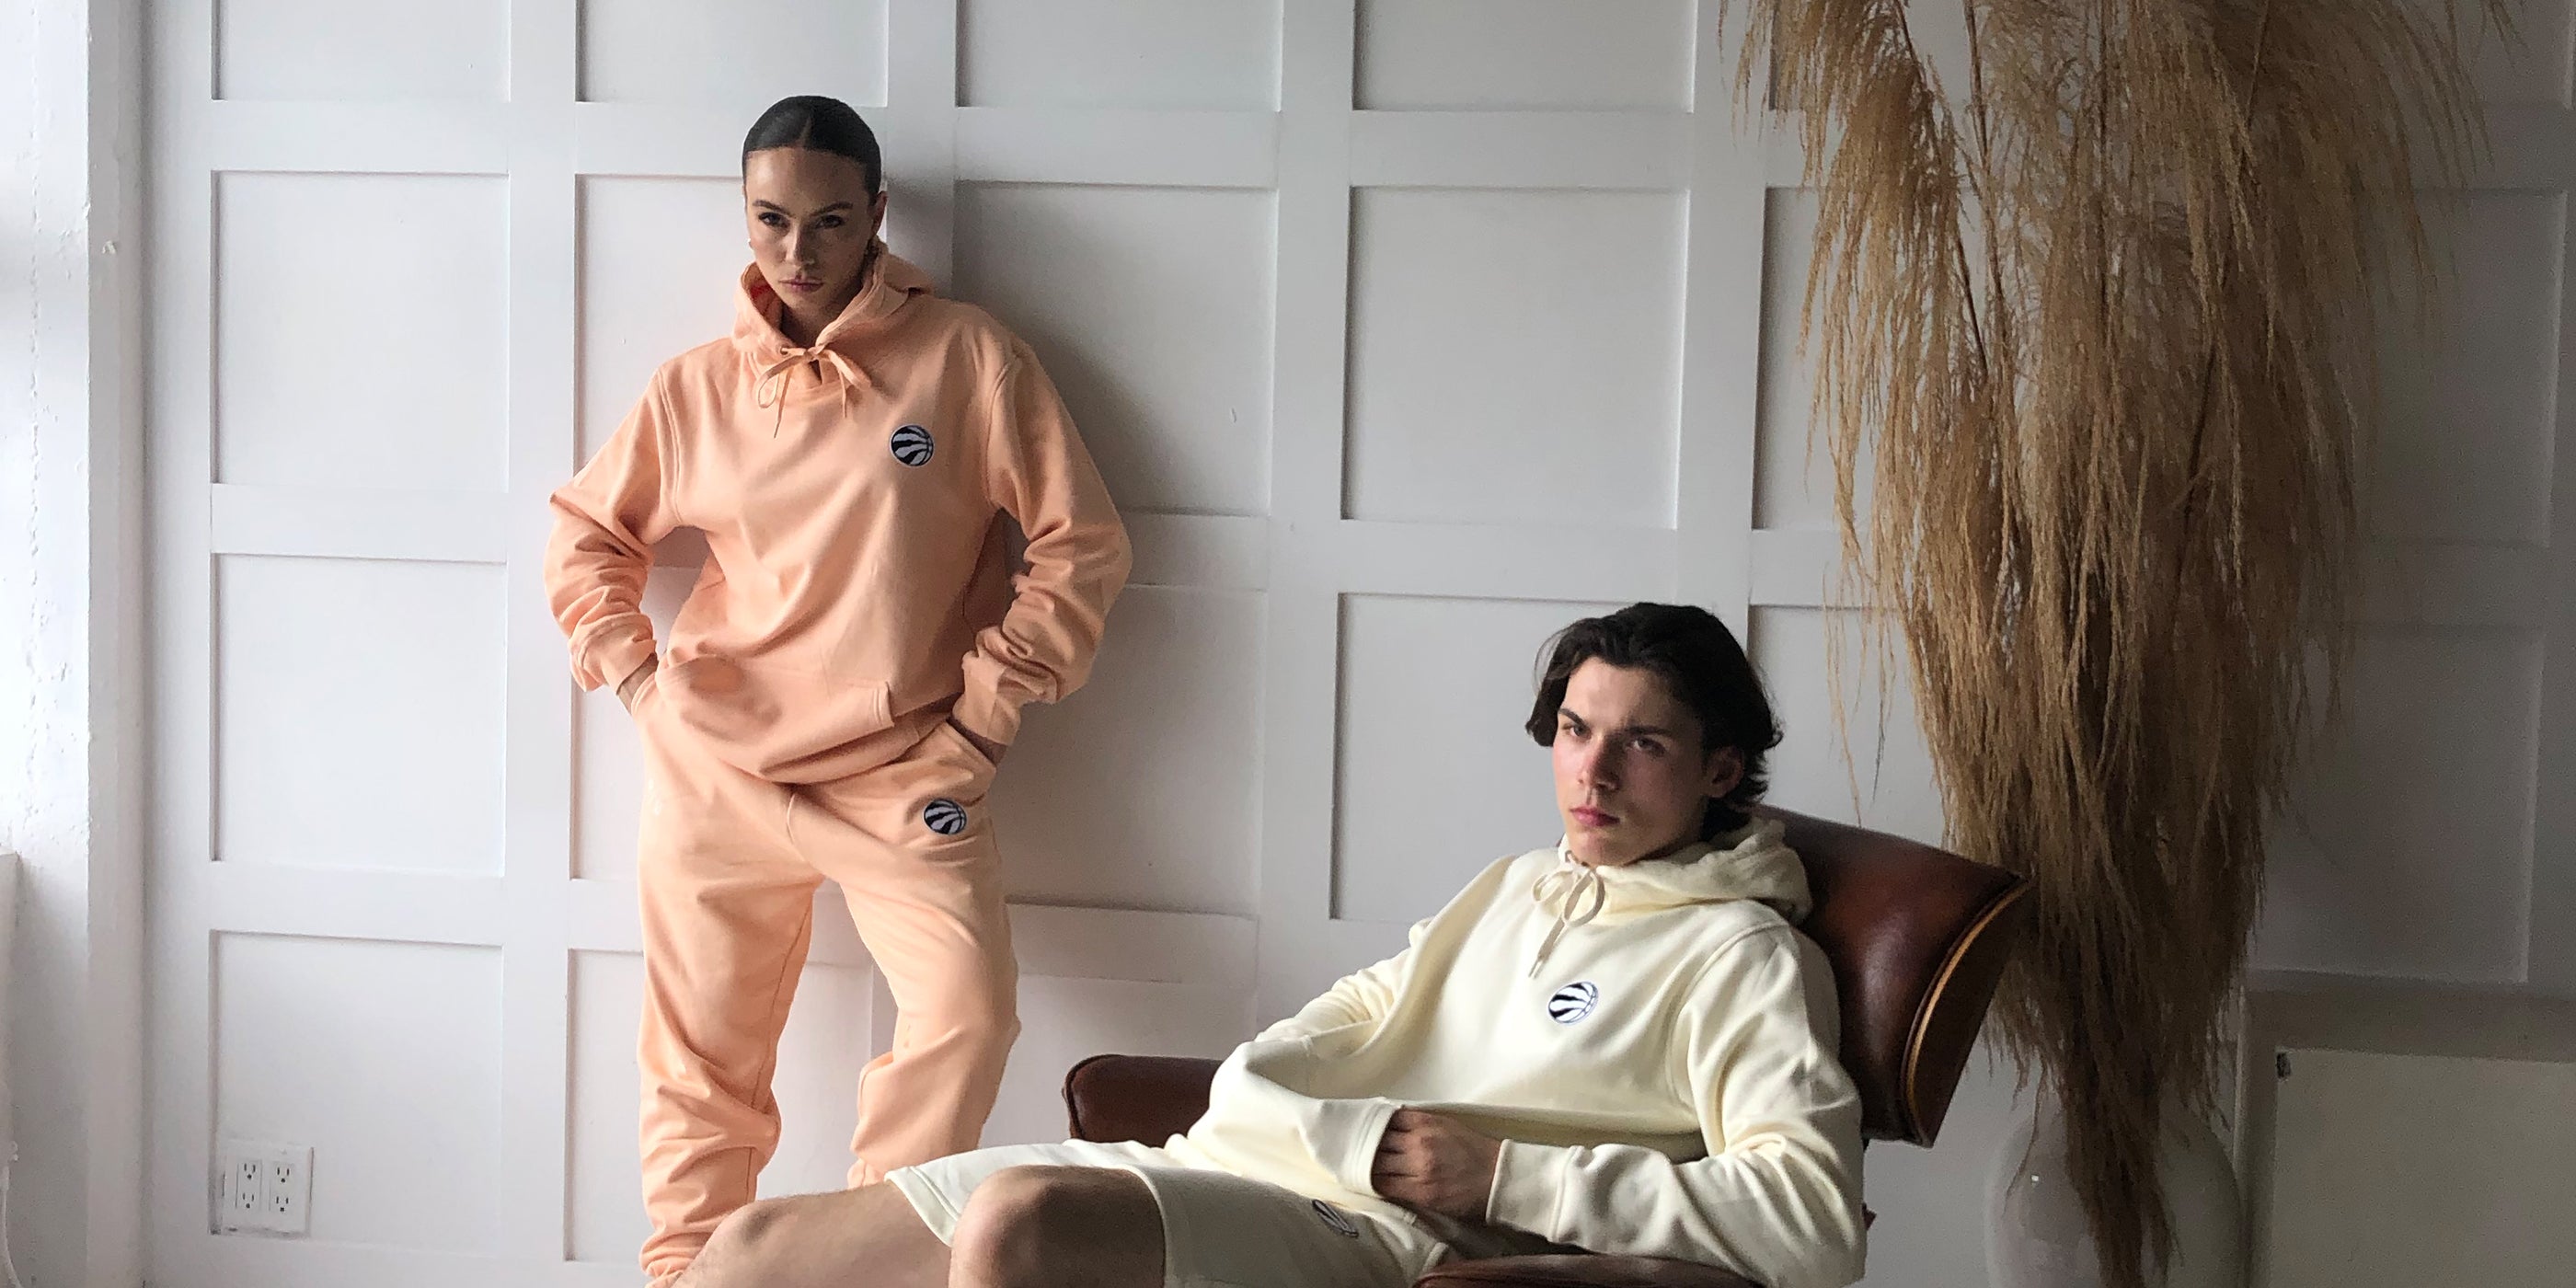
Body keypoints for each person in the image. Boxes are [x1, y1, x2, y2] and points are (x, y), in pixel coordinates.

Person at [670, 604, 1868, 1288]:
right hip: (1256, 1161)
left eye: (1642, 744)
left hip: (1393, 1237)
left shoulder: (1744, 959)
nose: (1591, 772)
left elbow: (1811, 1220)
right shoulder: (1523, 886)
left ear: (1722, 768)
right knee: (747, 1252)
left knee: (1017, 1227)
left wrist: (1505, 1177)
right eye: (1573, 729)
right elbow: (1354, 1014)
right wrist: (1277, 1091)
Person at [543, 94, 1131, 1286]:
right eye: (770, 220)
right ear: (744, 214)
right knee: (699, 1067)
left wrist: (985, 718)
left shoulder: (968, 359)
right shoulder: (697, 389)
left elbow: (1083, 544)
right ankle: (689, 1278)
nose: (797, 252)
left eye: (828, 221)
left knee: (968, 1017)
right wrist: (644, 689)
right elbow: (586, 538)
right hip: (716, 771)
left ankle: (864, 1268)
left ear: (876, 214)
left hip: (907, 773)